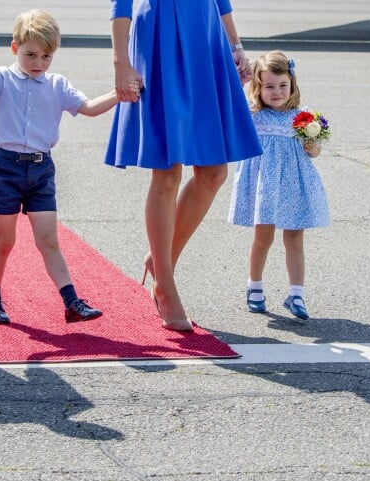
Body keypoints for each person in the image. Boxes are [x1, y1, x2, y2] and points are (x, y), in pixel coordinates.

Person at [0, 9, 139, 326]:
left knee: (49, 241)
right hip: (6, 167)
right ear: (14, 48)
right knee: (4, 241)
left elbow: (87, 108)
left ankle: (72, 302)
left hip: (42, 170)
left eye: (46, 56)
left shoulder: (57, 84)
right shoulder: (1, 78)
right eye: (30, 54)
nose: (38, 62)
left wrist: (119, 92)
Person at [106, 0, 262, 332]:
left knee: (214, 171)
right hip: (160, 34)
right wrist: (121, 62)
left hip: (206, 34)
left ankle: (161, 262)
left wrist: (235, 45)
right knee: (167, 171)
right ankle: (165, 283)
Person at [228, 51, 331, 320]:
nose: (276, 92)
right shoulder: (254, 115)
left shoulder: (304, 117)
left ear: (292, 84)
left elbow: (314, 151)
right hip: (265, 185)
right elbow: (232, 116)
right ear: (258, 88)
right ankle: (255, 287)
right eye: (269, 87)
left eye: (282, 85)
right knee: (263, 237)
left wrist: (312, 144)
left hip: (294, 183)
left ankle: (296, 293)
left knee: (295, 238)